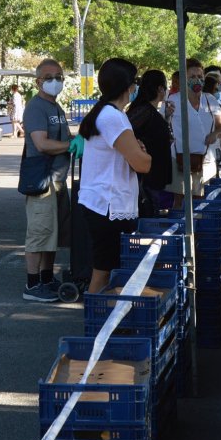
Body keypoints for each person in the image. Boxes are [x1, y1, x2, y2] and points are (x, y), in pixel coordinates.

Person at [78, 58, 151, 293]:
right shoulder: (112, 117)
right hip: (107, 205)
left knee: (108, 270)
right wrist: (143, 153)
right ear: (127, 86)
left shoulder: (108, 114)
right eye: (135, 82)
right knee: (104, 272)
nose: (136, 88)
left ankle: (102, 319)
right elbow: (142, 164)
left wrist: (137, 151)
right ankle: (96, 323)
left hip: (105, 203)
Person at [20, 59, 72, 302]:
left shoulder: (56, 107)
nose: (55, 81)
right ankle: (32, 285)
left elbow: (64, 138)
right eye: (49, 77)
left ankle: (47, 278)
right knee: (39, 233)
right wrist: (71, 145)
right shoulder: (36, 107)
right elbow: (42, 144)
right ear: (38, 81)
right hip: (43, 180)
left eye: (59, 76)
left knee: (53, 233)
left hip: (58, 180)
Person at [165, 59, 221, 206]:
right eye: (192, 77)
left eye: (200, 76)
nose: (197, 80)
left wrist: (214, 134)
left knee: (199, 199)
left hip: (204, 158)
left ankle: (196, 228)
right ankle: (179, 227)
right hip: (179, 158)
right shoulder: (173, 100)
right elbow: (163, 127)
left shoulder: (210, 99)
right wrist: (166, 115)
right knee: (179, 199)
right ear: (183, 79)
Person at [127, 70, 172, 218]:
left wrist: (167, 119)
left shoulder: (150, 110)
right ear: (160, 88)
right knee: (148, 216)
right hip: (146, 178)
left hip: (154, 176)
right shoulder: (143, 110)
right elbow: (127, 133)